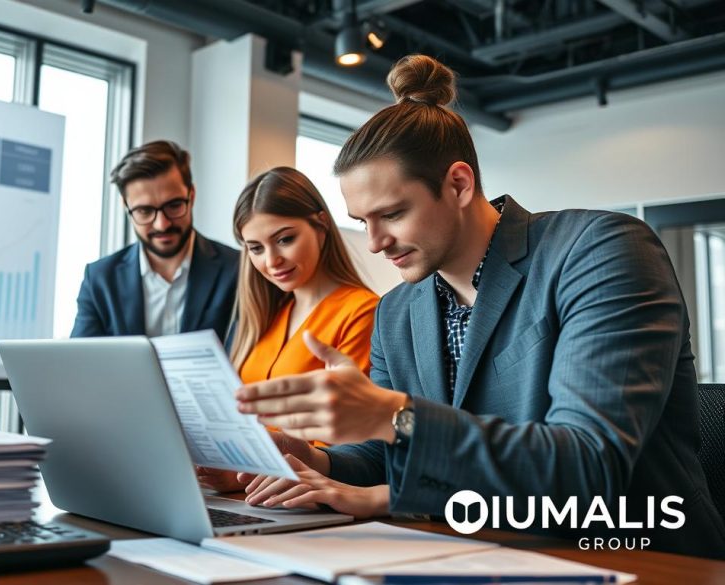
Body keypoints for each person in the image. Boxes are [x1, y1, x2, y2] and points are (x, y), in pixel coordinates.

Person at [234, 55, 725, 558]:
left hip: (638, 558)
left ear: (459, 184)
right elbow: (389, 456)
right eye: (363, 221)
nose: (376, 243)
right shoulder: (398, 312)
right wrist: (320, 464)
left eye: (393, 214)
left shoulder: (601, 250)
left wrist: (395, 416)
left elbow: (588, 466)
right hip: (480, 552)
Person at [196, 168, 384, 516]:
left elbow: (346, 448)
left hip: (304, 505)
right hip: (248, 500)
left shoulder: (362, 311)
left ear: (321, 225)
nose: (271, 261)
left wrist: (241, 474)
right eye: (255, 248)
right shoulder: (266, 317)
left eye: (284, 239)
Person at [70, 140, 239, 341]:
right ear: (126, 207)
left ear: (191, 196)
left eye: (174, 206)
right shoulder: (99, 279)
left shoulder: (237, 269)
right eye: (145, 211)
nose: (162, 224)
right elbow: (80, 365)